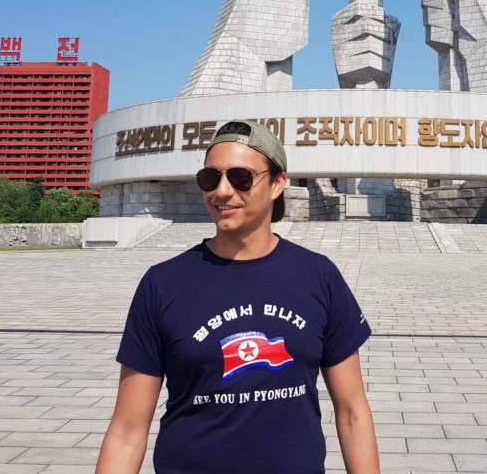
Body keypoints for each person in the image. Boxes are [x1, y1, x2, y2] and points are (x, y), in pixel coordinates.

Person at [96, 120, 380, 474]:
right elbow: (127, 430)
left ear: (277, 183)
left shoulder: (319, 277)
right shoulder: (163, 284)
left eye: (241, 177)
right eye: (210, 179)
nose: (223, 191)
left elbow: (353, 413)